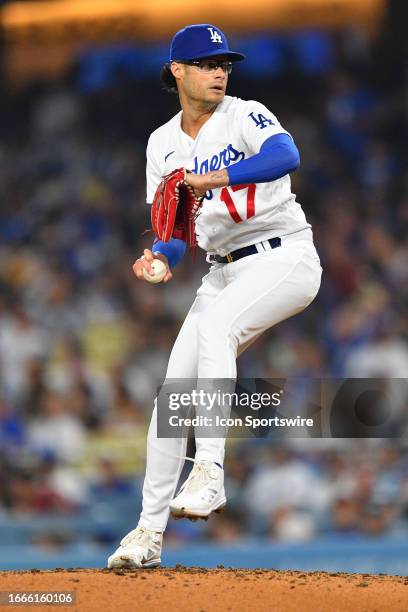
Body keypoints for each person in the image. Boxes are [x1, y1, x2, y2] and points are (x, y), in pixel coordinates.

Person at [107, 23, 322, 569]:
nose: (219, 71)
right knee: (171, 397)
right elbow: (175, 228)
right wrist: (160, 259)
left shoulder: (244, 113)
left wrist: (216, 177)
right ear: (177, 70)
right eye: (206, 63)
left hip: (283, 254)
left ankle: (209, 474)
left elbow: (285, 155)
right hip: (221, 268)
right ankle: (147, 535)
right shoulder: (162, 143)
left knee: (217, 327)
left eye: (224, 63)